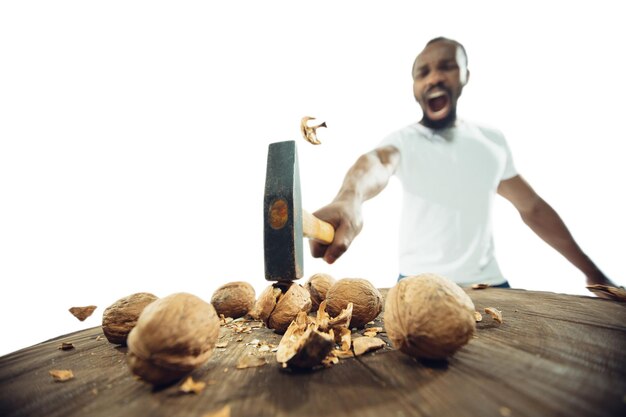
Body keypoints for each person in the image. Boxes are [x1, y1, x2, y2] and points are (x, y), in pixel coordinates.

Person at [309, 36, 616, 290]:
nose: (434, 78)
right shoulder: (404, 141)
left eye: (447, 67)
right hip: (418, 287)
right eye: (423, 72)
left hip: (491, 287)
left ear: (466, 75)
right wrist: (349, 198)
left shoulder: (491, 141)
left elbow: (532, 208)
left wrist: (594, 273)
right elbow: (375, 163)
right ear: (414, 87)